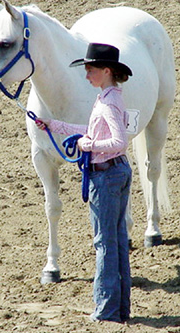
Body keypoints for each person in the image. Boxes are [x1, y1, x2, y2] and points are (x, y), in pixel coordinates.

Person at [36, 43, 133, 324]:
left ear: (106, 71)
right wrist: (55, 125)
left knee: (105, 243)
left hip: (106, 176)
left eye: (90, 69)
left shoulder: (110, 101)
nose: (87, 74)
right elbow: (93, 130)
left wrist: (88, 144)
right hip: (114, 173)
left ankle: (106, 311)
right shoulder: (108, 96)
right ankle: (118, 309)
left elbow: (118, 142)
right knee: (115, 243)